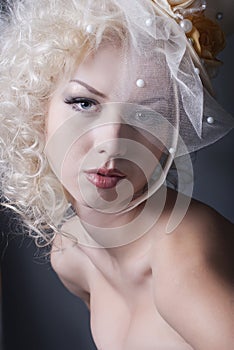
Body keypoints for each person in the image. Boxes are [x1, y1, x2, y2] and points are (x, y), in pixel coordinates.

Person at [0, 0, 233, 349]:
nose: (112, 144)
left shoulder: (183, 260)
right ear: (37, 107)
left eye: (145, 113)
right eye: (84, 103)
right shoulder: (71, 255)